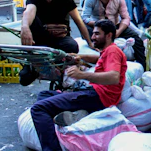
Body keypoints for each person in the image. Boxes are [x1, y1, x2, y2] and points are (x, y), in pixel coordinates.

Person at [31, 19, 127, 151]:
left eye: (97, 34)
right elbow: (98, 58)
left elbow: (114, 77)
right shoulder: (108, 51)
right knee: (45, 94)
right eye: (93, 34)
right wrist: (79, 57)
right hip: (94, 93)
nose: (93, 37)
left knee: (38, 109)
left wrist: (81, 75)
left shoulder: (113, 51)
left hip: (98, 96)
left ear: (109, 35)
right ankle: (75, 114)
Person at [20, 0, 93, 86]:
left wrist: (89, 42)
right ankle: (31, 63)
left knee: (73, 46)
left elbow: (78, 21)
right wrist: (25, 27)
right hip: (41, 40)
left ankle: (56, 66)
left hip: (60, 40)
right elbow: (29, 11)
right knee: (24, 79)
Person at [82, 0, 146, 69]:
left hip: (115, 26)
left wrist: (118, 31)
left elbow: (126, 18)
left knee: (138, 42)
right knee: (85, 28)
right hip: (97, 27)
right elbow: (85, 17)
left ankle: (142, 68)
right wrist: (96, 24)